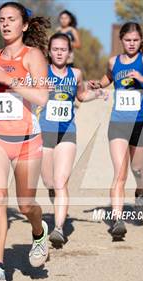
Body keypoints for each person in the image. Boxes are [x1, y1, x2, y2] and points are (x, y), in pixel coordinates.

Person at [0, 1, 50, 281]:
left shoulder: (34, 57)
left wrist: (10, 80)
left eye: (12, 19)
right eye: (1, 19)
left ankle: (39, 232)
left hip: (27, 139)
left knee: (26, 204)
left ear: (24, 25)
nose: (5, 24)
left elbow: (41, 98)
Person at [88, 22, 143, 240]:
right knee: (120, 174)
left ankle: (141, 189)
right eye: (127, 40)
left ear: (139, 40)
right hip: (118, 123)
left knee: (137, 168)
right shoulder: (114, 61)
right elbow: (108, 80)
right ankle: (117, 221)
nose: (131, 44)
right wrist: (98, 85)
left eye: (135, 40)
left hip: (141, 124)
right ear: (121, 41)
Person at [40, 33, 104, 248]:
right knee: (49, 183)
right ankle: (56, 201)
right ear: (49, 52)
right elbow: (23, 90)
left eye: (63, 49)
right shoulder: (41, 72)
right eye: (55, 49)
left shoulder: (75, 74)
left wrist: (97, 94)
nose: (59, 53)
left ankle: (58, 228)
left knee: (61, 182)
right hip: (44, 133)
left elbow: (81, 96)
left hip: (67, 132)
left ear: (70, 53)